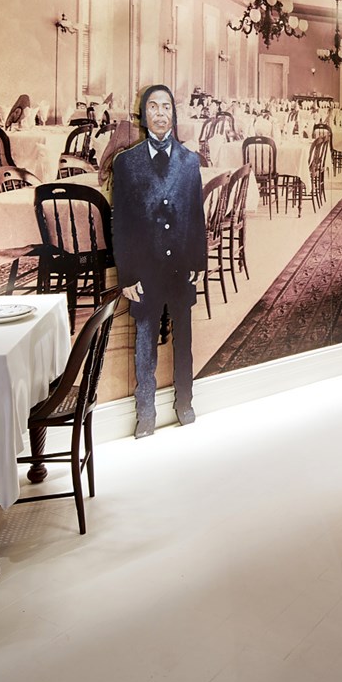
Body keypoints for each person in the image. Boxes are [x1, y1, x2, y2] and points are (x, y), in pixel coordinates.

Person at [112, 84, 206, 436]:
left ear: (174, 113)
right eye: (153, 107)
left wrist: (199, 262)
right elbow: (120, 223)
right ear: (144, 114)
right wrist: (127, 276)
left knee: (185, 341)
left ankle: (185, 402)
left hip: (181, 266)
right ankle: (146, 413)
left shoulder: (189, 161)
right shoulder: (127, 163)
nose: (161, 113)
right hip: (146, 270)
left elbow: (197, 216)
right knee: (145, 341)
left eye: (166, 106)